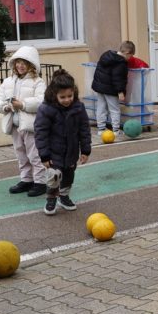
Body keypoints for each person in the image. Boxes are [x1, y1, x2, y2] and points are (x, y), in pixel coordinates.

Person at [0, 45, 47, 198]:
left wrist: (22, 104)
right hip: (15, 125)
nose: (20, 65)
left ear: (31, 65)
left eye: (24, 62)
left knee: (34, 154)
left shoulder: (38, 82)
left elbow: (42, 101)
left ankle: (40, 182)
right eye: (18, 62)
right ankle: (26, 179)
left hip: (30, 126)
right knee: (21, 153)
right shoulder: (9, 81)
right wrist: (4, 107)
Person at [35, 70, 91, 215]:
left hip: (71, 151)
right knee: (54, 176)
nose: (67, 100)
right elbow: (41, 133)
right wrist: (45, 155)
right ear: (55, 95)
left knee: (69, 175)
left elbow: (84, 130)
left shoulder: (78, 107)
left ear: (74, 92)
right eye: (62, 97)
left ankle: (64, 196)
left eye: (70, 96)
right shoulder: (46, 109)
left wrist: (85, 150)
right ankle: (51, 198)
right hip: (54, 152)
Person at [91, 41, 135, 134]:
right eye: (130, 56)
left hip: (100, 87)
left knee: (101, 108)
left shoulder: (107, 56)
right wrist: (120, 92)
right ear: (127, 53)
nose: (129, 59)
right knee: (114, 109)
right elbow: (118, 78)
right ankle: (116, 130)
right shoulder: (120, 62)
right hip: (111, 89)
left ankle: (101, 129)